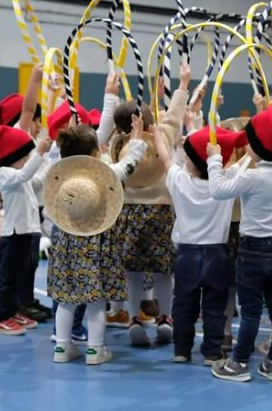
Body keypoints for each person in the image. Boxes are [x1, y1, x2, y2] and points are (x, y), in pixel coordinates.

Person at [208, 101, 272, 383]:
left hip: (252, 252)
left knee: (249, 312)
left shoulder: (253, 178)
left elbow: (218, 190)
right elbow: (260, 164)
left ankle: (239, 363)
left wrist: (214, 158)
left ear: (260, 145)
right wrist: (248, 157)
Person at [99, 65, 190, 347]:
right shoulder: (160, 135)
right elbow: (175, 115)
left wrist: (112, 96)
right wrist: (182, 85)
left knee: (133, 271)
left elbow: (123, 126)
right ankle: (164, 318)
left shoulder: (117, 144)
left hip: (128, 213)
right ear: (149, 123)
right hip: (161, 212)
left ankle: (134, 320)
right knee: (164, 270)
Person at [48, 120, 146, 365]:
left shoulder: (59, 172)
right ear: (95, 153)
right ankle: (95, 349)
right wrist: (137, 138)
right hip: (96, 241)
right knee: (96, 298)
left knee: (66, 297)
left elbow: (57, 151)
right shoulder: (105, 175)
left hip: (65, 238)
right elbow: (129, 164)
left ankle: (62, 347)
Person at [154, 122, 243, 366]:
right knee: (215, 306)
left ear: (190, 160)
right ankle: (212, 352)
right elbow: (240, 162)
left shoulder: (180, 181)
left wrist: (158, 134)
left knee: (183, 304)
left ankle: (181, 350)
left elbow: (164, 158)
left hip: (187, 253)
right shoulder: (223, 183)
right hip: (217, 253)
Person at [0, 124, 52, 336]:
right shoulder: (4, 174)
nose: (27, 159)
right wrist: (39, 153)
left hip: (26, 233)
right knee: (8, 280)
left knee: (20, 276)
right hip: (13, 235)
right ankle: (2, 317)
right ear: (11, 156)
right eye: (24, 155)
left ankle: (14, 311)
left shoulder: (19, 175)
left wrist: (48, 157)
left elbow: (37, 179)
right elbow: (25, 174)